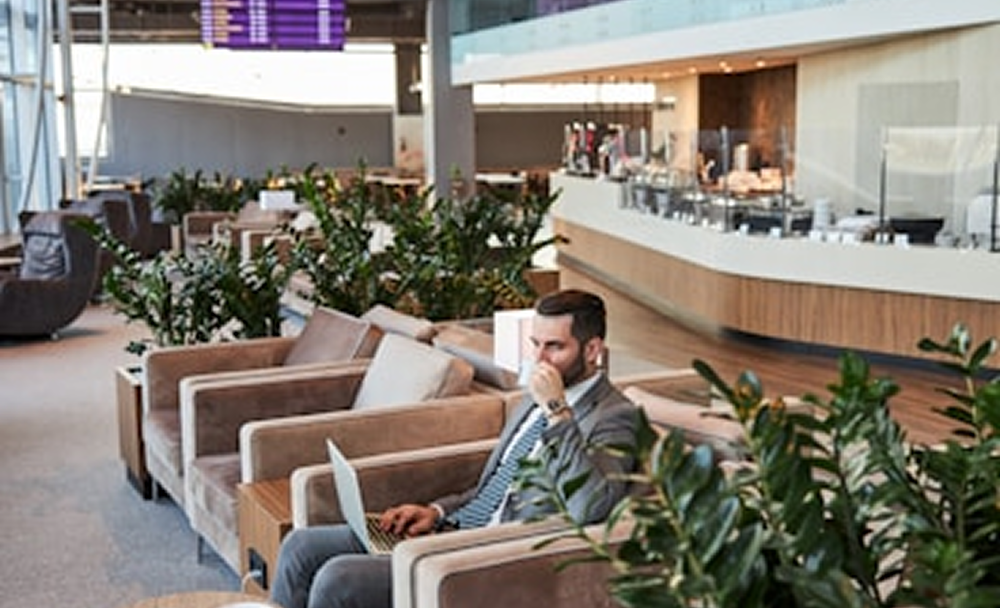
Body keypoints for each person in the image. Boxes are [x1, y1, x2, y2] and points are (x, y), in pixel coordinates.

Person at [270, 289, 640, 608]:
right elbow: (494, 490)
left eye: (554, 347)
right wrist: (436, 511)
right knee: (302, 547)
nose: (539, 360)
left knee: (339, 579)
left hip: (488, 554)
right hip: (452, 528)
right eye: (535, 345)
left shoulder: (614, 415)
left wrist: (558, 412)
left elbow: (590, 507)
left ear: (593, 350)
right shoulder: (534, 398)